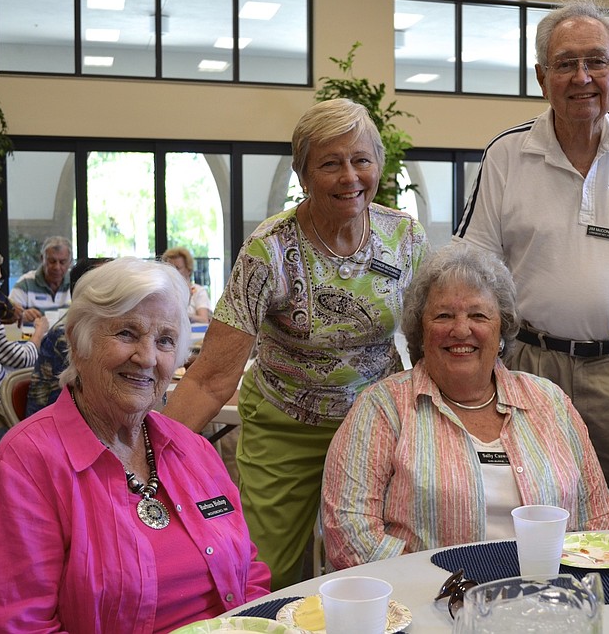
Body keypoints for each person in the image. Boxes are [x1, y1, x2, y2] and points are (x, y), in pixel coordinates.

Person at [163, 98, 429, 589]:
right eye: (330, 163)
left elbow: (430, 339)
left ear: (379, 165)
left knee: (382, 565)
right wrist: (149, 455)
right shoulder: (269, 249)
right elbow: (210, 377)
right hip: (287, 423)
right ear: (303, 175)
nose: (350, 176)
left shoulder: (405, 238)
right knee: (268, 571)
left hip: (378, 424)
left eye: (362, 160)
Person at [452, 0, 609, 497]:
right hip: (531, 367)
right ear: (541, 77)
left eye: (596, 62)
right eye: (565, 64)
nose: (581, 77)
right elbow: (473, 273)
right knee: (528, 496)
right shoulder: (506, 154)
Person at [0, 257, 270, 632]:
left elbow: (249, 574)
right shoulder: (26, 463)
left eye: (165, 341)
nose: (147, 358)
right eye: (126, 333)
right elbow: (22, 624)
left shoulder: (192, 449)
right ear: (77, 341)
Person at [321, 243, 609, 570]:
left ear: (501, 330)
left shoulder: (549, 401)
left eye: (478, 315)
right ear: (421, 331)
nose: (461, 330)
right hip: (431, 595)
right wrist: (439, 585)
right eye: (444, 316)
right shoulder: (382, 407)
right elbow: (348, 531)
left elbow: (600, 518)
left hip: (548, 589)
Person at [25, 257, 112, 417]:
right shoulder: (66, 334)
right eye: (109, 282)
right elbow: (96, 393)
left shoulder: (100, 325)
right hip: (54, 420)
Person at [0, 249, 48, 416]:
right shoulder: (26, 281)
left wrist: (20, 315)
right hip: (1, 408)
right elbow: (22, 359)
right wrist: (39, 332)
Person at [9, 235, 73, 322]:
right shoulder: (25, 283)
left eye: (62, 262)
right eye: (52, 261)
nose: (57, 267)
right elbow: (8, 317)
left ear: (70, 262)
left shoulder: (76, 282)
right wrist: (22, 316)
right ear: (42, 259)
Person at [162, 246, 212, 323]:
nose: (173, 272)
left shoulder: (198, 291)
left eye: (177, 268)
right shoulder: (162, 292)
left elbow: (203, 319)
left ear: (188, 270)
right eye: (170, 268)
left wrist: (182, 316)